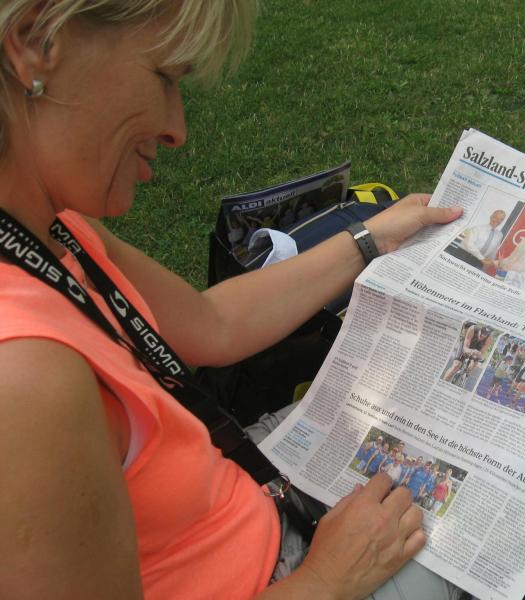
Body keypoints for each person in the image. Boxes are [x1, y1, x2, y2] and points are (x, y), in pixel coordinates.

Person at [0, 3, 465, 599]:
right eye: (165, 77)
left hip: (253, 491)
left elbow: (212, 322)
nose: (177, 129)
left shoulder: (47, 226)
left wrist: (370, 238)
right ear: (36, 41)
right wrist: (327, 579)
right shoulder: (24, 376)